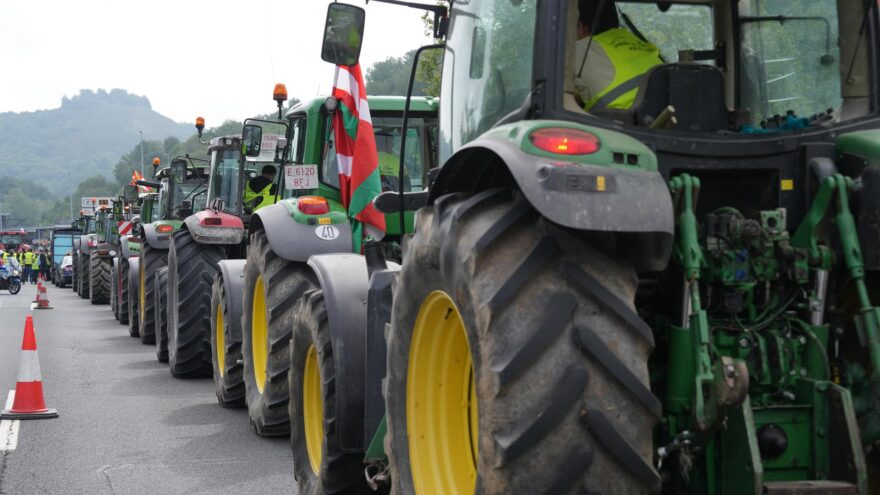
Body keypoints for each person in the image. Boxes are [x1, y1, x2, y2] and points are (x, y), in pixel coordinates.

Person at [574, 0, 663, 112]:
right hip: (664, 113)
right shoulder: (631, 37)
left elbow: (564, 97)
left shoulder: (578, 49)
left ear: (581, 26)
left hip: (619, 124)